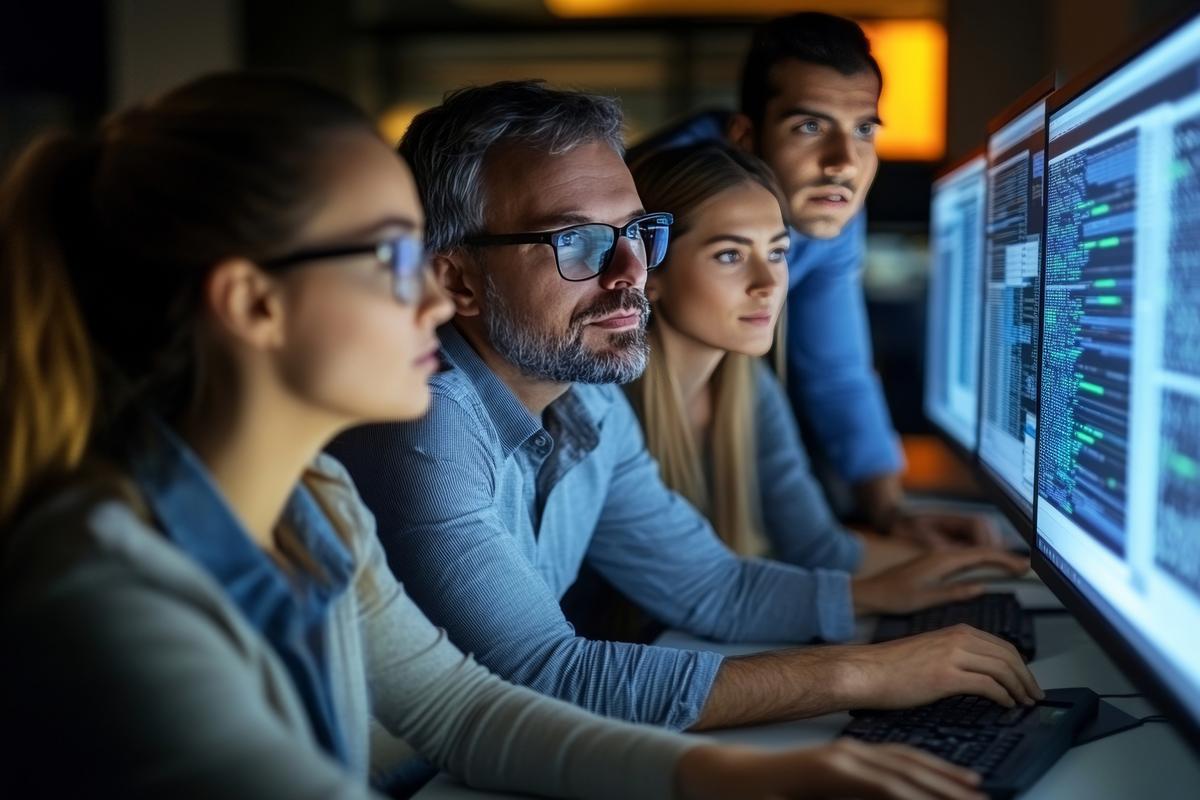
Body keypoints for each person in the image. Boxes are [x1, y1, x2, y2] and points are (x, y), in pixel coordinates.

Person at [0, 72, 988, 800]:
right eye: (395, 256)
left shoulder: (315, 505)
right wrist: (852, 676)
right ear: (253, 304)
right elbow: (524, 684)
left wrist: (737, 775)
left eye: (636, 235)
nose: (434, 290)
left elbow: (460, 707)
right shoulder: (106, 592)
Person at [329, 80, 1040, 736]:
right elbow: (545, 681)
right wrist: (864, 673)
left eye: (637, 232)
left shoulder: (592, 402)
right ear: (458, 280)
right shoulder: (426, 425)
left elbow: (711, 585)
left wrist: (889, 595)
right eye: (576, 240)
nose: (631, 272)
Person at [628, 12, 998, 548]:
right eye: (810, 127)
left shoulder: (825, 204)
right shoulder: (652, 204)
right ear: (745, 137)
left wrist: (892, 511)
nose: (843, 163)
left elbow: (837, 369)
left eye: (864, 129)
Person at [626, 141, 951, 578]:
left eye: (777, 252)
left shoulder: (747, 386)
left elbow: (818, 548)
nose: (767, 283)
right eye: (730, 255)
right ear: (650, 273)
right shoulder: (603, 406)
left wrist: (992, 565)